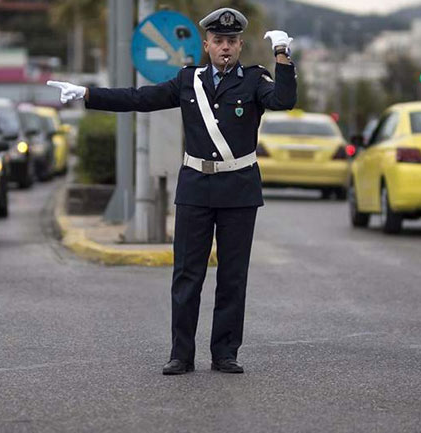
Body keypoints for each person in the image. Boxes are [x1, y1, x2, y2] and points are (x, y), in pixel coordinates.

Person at [48, 8, 296, 375]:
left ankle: (225, 352)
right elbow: (139, 98)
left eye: (231, 41)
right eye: (218, 41)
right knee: (186, 275)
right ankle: (181, 353)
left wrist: (282, 57)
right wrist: (87, 94)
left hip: (238, 190)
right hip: (195, 188)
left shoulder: (255, 81)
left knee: (232, 276)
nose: (225, 48)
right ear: (206, 45)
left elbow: (284, 101)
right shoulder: (188, 80)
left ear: (240, 44)